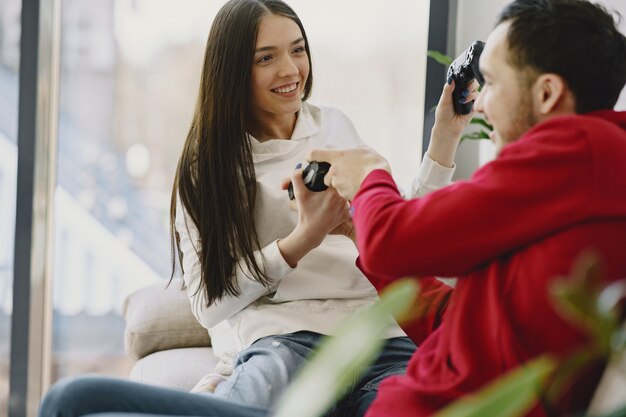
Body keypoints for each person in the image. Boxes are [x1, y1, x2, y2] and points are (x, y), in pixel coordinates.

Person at [38, 0, 478, 416]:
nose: (290, 70)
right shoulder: (207, 166)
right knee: (73, 397)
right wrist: (301, 239)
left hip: (379, 336)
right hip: (285, 341)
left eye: (297, 50)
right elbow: (210, 303)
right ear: (231, 72)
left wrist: (445, 136)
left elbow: (400, 239)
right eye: (265, 58)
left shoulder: (336, 126)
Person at [306, 0, 626, 416]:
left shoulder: (578, 150)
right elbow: (456, 323)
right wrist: (355, 230)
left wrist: (370, 174)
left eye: (491, 83)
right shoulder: (585, 176)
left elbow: (391, 238)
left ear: (547, 93)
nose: (479, 104)